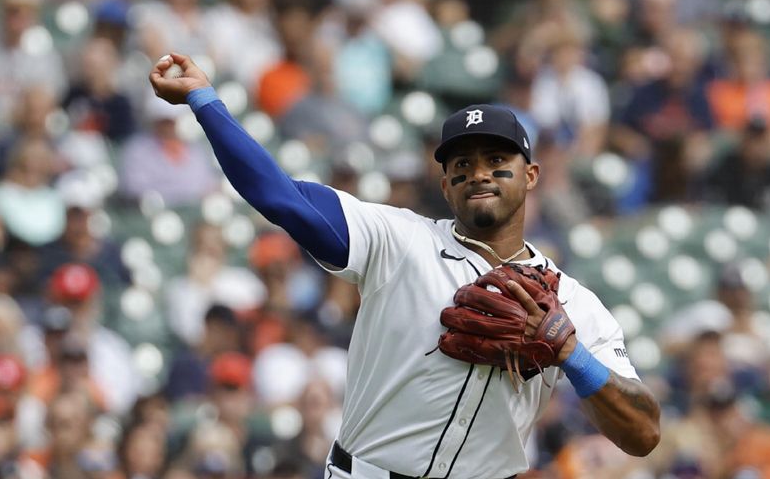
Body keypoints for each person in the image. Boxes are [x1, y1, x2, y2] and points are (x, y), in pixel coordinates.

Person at [148, 53, 660, 477]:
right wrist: (205, 101)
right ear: (445, 186)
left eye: (496, 161)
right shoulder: (397, 239)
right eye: (462, 165)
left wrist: (571, 353)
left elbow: (642, 434)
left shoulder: (572, 304)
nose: (478, 174)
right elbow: (278, 196)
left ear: (530, 175)